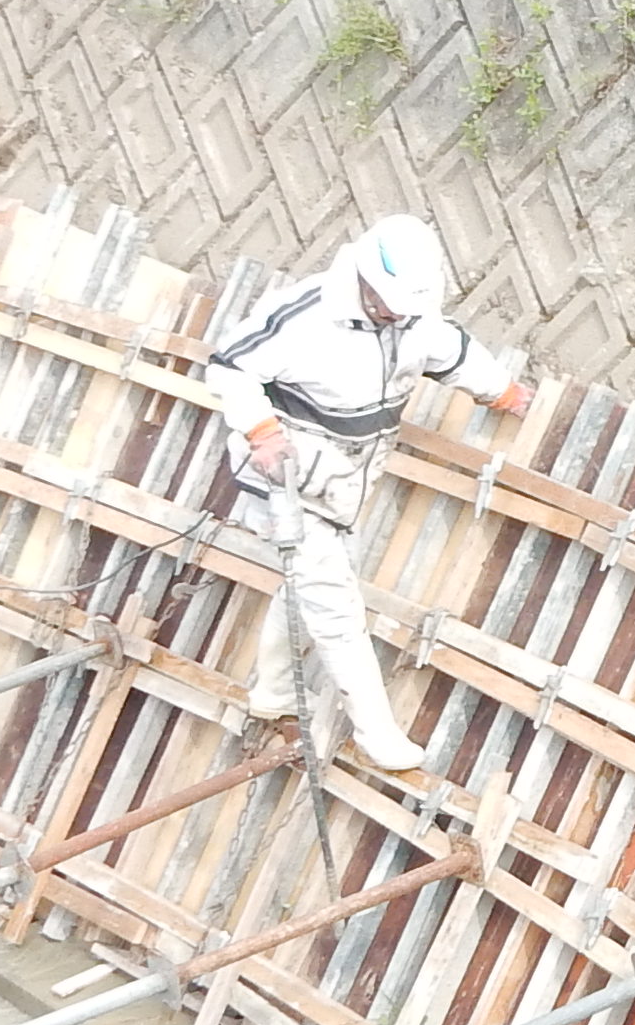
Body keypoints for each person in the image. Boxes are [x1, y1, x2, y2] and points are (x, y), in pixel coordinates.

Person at [202, 214, 535, 781]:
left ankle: (272, 693)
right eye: (389, 306)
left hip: (346, 480)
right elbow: (229, 367)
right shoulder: (303, 315)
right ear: (364, 278)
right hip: (287, 480)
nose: (397, 315)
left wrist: (501, 392)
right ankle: (376, 732)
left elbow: (452, 350)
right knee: (335, 608)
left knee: (305, 589)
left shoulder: (414, 317)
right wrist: (261, 430)